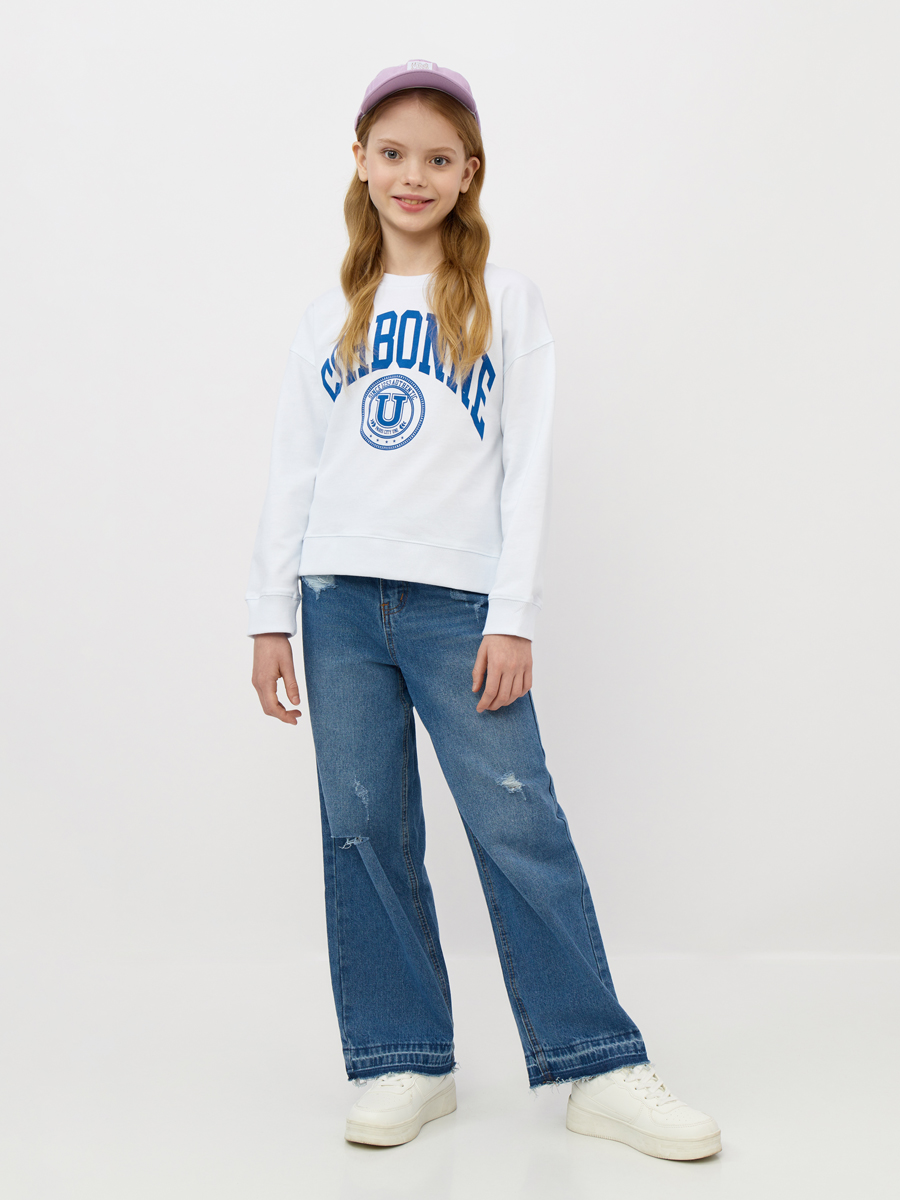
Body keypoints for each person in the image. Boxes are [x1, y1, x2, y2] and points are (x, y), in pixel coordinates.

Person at [246, 59, 721, 1160]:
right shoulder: (329, 316)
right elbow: (292, 472)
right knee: (363, 829)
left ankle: (597, 1063)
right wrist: (270, 614)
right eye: (392, 153)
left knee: (518, 825)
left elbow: (527, 466)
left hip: (461, 607)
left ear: (469, 173)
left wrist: (514, 613)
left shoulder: (507, 303)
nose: (412, 175)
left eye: (437, 157)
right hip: (336, 603)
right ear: (360, 163)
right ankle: (404, 1058)